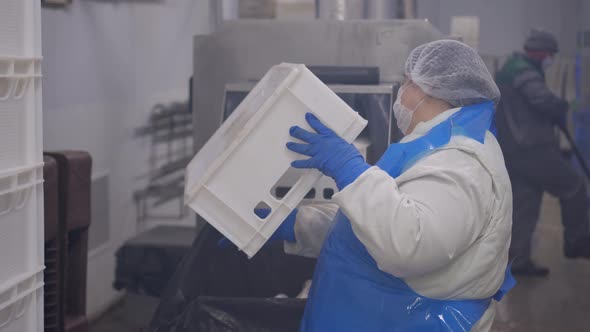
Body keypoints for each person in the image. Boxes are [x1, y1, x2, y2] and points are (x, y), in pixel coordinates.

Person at [265, 40, 514, 331]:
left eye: (407, 82)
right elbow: (372, 225)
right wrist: (296, 225)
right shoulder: (437, 147)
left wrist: (350, 170)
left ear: (432, 89)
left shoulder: (462, 162)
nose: (402, 92)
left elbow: (408, 243)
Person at [495, 28, 590, 277]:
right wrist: (560, 106)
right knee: (574, 186)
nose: (552, 59)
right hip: (531, 147)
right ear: (541, 52)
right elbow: (541, 99)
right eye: (551, 54)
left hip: (514, 148)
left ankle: (518, 261)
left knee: (526, 204)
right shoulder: (524, 70)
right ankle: (577, 242)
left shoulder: (512, 66)